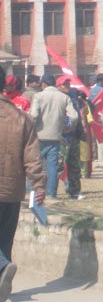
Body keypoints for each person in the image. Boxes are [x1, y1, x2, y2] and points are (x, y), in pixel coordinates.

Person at [0, 66, 46, 302]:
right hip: (12, 191)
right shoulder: (22, 118)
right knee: (5, 239)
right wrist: (39, 186)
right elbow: (33, 158)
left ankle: (4, 264)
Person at [29, 73, 78, 199]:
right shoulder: (64, 97)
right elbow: (74, 116)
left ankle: (33, 192)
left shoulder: (38, 96)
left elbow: (33, 115)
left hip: (39, 136)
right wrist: (67, 128)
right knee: (52, 166)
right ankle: (51, 193)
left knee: (35, 166)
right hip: (56, 136)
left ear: (44, 84)